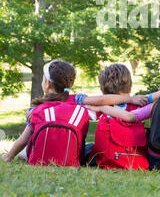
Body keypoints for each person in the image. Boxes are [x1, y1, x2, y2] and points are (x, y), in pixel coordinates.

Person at [1, 60, 147, 163]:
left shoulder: (37, 109)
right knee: (89, 148)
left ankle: (15, 153)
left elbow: (23, 139)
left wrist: (8, 156)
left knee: (26, 149)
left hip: (39, 153)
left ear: (47, 83)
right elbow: (102, 100)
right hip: (71, 156)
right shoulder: (77, 100)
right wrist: (130, 99)